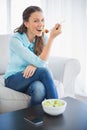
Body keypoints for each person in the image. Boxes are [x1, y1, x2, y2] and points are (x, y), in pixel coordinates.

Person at [4, 6, 62, 107]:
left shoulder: (43, 38)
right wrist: (52, 38)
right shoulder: (15, 39)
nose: (41, 24)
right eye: (36, 21)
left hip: (32, 78)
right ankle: (55, 108)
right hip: (13, 79)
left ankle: (33, 119)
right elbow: (41, 64)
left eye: (42, 20)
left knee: (39, 89)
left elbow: (45, 61)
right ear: (26, 23)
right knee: (44, 71)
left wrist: (34, 66)